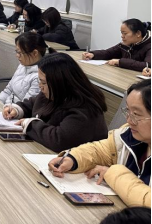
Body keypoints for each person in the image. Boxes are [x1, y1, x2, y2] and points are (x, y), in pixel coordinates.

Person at [49, 79, 151, 209]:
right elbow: (99, 150)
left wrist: (111, 173)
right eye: (128, 111)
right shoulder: (130, 135)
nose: (129, 120)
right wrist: (72, 159)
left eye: (136, 114)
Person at [3, 52, 108, 152]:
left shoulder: (84, 108)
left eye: (43, 82)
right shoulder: (55, 93)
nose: (40, 86)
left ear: (59, 82)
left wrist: (30, 125)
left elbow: (59, 140)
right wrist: (17, 110)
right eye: (40, 81)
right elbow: (33, 104)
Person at [0, 33, 54, 105]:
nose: (17, 55)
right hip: (7, 105)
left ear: (35, 53)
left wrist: (5, 108)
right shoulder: (23, 65)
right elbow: (8, 90)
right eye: (17, 52)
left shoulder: (39, 77)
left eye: (20, 53)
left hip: (15, 109)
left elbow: (25, 106)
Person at [83, 19, 151, 72]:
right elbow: (108, 53)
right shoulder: (126, 44)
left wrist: (120, 62)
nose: (122, 36)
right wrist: (93, 54)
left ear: (138, 33)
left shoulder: (149, 45)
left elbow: (147, 65)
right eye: (121, 33)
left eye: (125, 33)